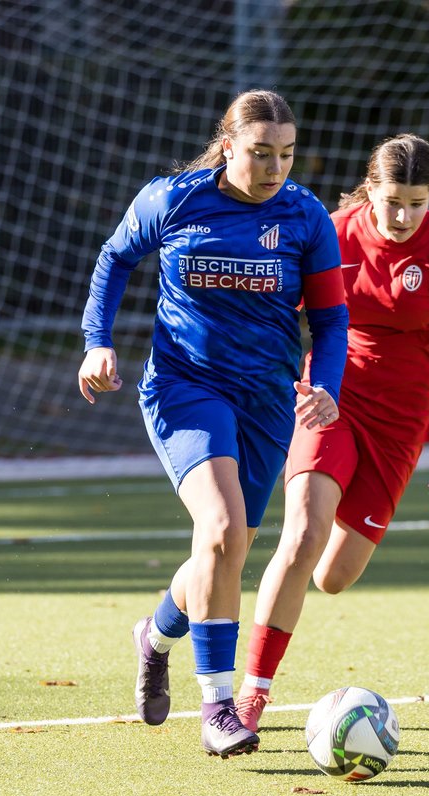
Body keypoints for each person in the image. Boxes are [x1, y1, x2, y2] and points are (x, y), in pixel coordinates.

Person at [78, 90, 349, 758]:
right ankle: (220, 708)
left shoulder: (306, 215)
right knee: (223, 529)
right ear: (228, 146)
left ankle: (156, 635)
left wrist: (327, 387)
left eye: (285, 154)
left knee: (226, 548)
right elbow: (115, 258)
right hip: (184, 388)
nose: (274, 167)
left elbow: (333, 318)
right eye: (260, 153)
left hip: (265, 402)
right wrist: (97, 340)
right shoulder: (174, 200)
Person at [230, 134, 429, 732]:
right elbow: (276, 312)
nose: (404, 217)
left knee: (332, 576)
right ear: (369, 191)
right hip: (329, 399)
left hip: (401, 423)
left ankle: (291, 592)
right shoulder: (332, 232)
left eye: (418, 203)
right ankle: (249, 696)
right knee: (302, 536)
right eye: (393, 201)